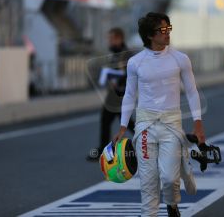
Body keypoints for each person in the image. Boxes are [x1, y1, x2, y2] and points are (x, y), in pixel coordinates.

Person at [113, 12, 206, 217]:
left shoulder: (180, 59)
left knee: (169, 179)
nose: (167, 33)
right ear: (149, 36)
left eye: (168, 28)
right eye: (162, 30)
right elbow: (129, 95)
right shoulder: (135, 62)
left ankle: (172, 205)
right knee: (148, 180)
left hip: (172, 124)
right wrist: (122, 126)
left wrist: (198, 122)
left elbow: (191, 91)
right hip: (145, 125)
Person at [87, 28, 135, 161]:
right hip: (113, 94)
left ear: (119, 39)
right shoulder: (115, 54)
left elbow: (130, 74)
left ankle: (148, 143)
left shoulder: (126, 54)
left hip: (121, 94)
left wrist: (118, 81)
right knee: (109, 120)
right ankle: (103, 150)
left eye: (112, 38)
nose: (110, 41)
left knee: (126, 123)